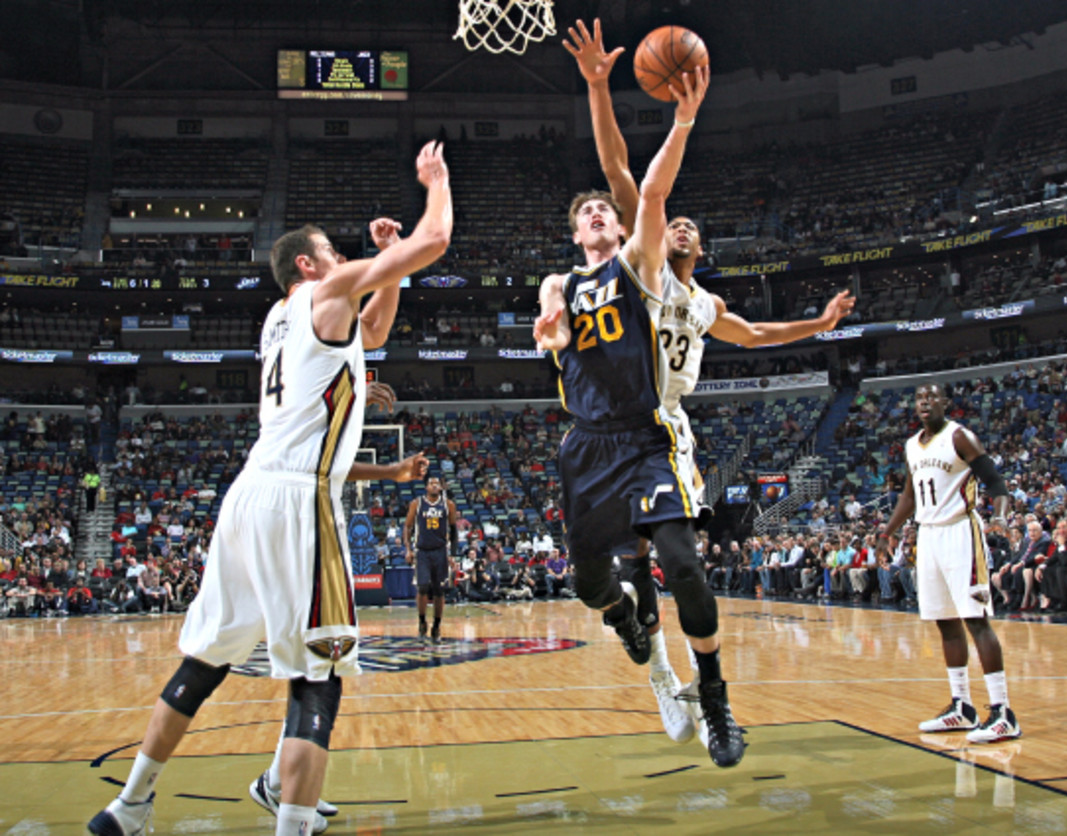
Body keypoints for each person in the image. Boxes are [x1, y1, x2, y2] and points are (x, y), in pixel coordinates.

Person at [88, 140, 450, 836]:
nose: (347, 261)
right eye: (335, 253)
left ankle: (128, 806)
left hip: (248, 495)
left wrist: (388, 265)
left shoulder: (279, 319)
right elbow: (437, 241)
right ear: (309, 265)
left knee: (206, 660)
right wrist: (433, 188)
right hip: (296, 501)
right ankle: (291, 822)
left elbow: (372, 330)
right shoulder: (324, 291)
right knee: (318, 676)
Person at [562, 17, 855, 753]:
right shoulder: (640, 259)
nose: (678, 225)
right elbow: (625, 172)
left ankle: (710, 695)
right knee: (608, 574)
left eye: (689, 224)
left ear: (702, 244)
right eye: (673, 221)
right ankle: (653, 660)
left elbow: (755, 336)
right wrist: (602, 90)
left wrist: (816, 327)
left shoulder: (704, 303)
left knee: (678, 560)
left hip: (664, 428)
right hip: (605, 431)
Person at [534, 61, 748, 769]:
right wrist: (553, 337)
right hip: (587, 446)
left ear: (623, 229)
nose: (597, 213)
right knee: (588, 584)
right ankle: (629, 623)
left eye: (606, 210)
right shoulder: (560, 281)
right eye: (584, 213)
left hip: (644, 436)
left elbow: (639, 177)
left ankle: (713, 698)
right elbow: (554, 331)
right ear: (574, 235)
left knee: (684, 564)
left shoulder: (637, 265)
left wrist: (661, 111)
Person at [881, 382, 1019, 744]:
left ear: (945, 402)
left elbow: (996, 483)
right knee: (945, 622)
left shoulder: (961, 437)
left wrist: (1001, 518)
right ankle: (962, 706)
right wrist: (887, 531)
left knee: (976, 620)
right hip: (928, 535)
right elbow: (909, 495)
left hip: (961, 532)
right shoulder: (912, 444)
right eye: (919, 397)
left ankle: (1003, 712)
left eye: (931, 397)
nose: (925, 402)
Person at [403, 474, 458, 643]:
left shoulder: (448, 505)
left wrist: (453, 555)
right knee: (423, 587)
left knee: (440, 591)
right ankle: (421, 622)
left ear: (441, 487)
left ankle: (436, 626)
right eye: (431, 483)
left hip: (440, 551)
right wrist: (408, 549)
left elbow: (454, 531)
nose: (434, 485)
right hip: (422, 551)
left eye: (437, 483)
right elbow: (408, 526)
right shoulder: (417, 504)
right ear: (426, 487)